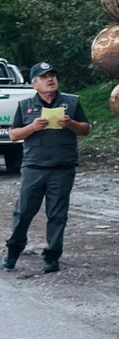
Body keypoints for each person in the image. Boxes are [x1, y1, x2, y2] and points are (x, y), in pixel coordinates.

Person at [2, 62, 90, 273]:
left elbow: (85, 129)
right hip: (34, 166)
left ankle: (52, 257)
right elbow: (13, 135)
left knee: (58, 215)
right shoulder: (25, 105)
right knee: (23, 212)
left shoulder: (71, 102)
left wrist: (70, 124)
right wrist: (33, 127)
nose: (50, 79)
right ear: (34, 84)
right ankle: (13, 251)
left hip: (62, 167)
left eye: (52, 75)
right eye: (44, 77)